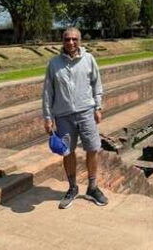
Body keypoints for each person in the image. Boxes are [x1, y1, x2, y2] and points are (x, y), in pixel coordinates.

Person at [42, 27, 108, 209]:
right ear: (62, 41)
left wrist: (98, 106)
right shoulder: (54, 64)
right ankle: (72, 187)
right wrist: (48, 117)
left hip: (86, 111)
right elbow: (48, 92)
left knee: (93, 148)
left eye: (74, 39)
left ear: (80, 40)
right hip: (63, 116)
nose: (70, 42)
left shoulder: (88, 59)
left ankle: (93, 187)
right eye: (66, 39)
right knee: (67, 152)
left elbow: (97, 84)